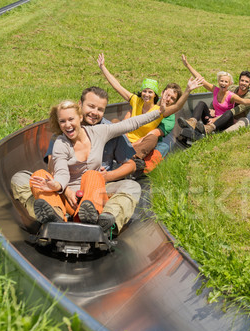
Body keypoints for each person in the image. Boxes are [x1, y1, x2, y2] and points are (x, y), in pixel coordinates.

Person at [26, 94, 168, 233]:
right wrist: (59, 187)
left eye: (71, 119)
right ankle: (55, 217)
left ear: (80, 117)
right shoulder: (60, 143)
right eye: (62, 121)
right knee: (37, 176)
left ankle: (94, 217)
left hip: (92, 194)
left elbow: (129, 124)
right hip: (69, 198)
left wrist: (159, 112)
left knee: (93, 175)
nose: (67, 125)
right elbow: (61, 172)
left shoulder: (99, 132)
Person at [11, 87, 139, 222]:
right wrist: (66, 191)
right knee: (20, 178)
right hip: (65, 189)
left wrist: (107, 176)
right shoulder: (64, 130)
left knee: (132, 187)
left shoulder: (110, 131)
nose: (94, 112)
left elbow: (131, 165)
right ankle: (51, 213)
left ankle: (106, 219)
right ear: (80, 105)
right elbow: (53, 170)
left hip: (99, 190)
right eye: (91, 106)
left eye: (100, 109)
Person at [97, 53, 203, 174]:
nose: (147, 94)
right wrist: (103, 67)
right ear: (162, 93)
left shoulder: (161, 112)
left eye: (150, 92)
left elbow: (177, 107)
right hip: (124, 137)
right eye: (145, 91)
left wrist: (188, 90)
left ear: (155, 94)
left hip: (138, 144)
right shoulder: (136, 100)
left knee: (156, 141)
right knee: (114, 122)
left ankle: (134, 163)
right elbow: (118, 86)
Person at [177, 54, 250, 137]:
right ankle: (192, 122)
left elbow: (242, 103)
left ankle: (210, 129)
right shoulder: (225, 88)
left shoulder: (233, 95)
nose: (223, 83)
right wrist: (187, 65)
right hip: (212, 118)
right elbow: (202, 80)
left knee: (229, 113)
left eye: (246, 82)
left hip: (227, 120)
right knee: (201, 103)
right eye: (242, 80)